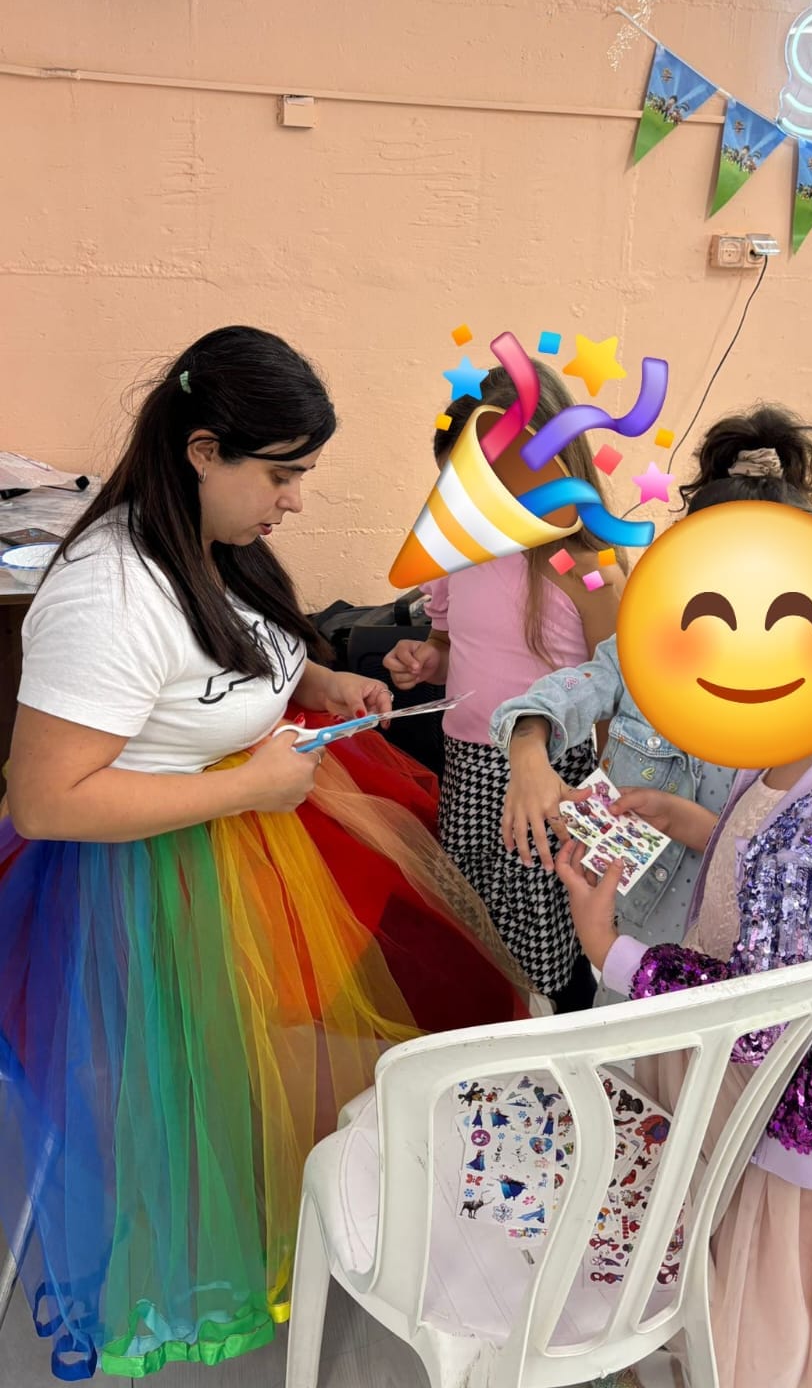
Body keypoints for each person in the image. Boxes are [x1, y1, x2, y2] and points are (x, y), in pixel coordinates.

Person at [0, 326, 533, 1382]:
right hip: (148, 870)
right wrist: (249, 783)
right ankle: (198, 1275)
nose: (294, 501)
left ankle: (330, 1206)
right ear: (203, 451)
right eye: (283, 474)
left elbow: (223, 657)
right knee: (181, 1079)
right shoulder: (108, 592)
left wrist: (315, 685)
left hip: (246, 825)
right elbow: (48, 799)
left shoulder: (214, 542)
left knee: (274, 1040)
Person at [556, 479, 812, 1388]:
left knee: (755, 1332)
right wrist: (688, 819)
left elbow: (763, 1012)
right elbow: (775, 875)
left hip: (785, 1105)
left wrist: (609, 949)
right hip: (756, 1068)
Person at [491, 405, 812, 957]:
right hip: (628, 933)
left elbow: (801, 865)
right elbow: (565, 693)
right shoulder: (642, 653)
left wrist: (690, 824)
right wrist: (529, 750)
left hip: (733, 951)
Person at [384, 361, 627, 1010]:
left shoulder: (587, 565)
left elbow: (616, 693)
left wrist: (603, 807)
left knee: (548, 950)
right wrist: (425, 659)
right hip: (466, 769)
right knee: (476, 935)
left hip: (550, 783)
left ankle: (562, 1043)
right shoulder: (455, 551)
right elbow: (448, 644)